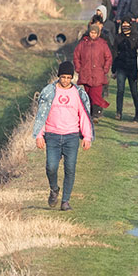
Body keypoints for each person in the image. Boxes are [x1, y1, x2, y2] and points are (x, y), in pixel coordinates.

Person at [33, 61, 93, 211]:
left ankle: (65, 201)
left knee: (70, 169)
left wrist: (87, 136)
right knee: (51, 167)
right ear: (58, 76)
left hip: (71, 136)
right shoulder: (49, 92)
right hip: (52, 135)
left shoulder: (78, 94)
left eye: (68, 77)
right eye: (63, 77)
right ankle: (54, 189)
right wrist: (39, 135)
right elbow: (41, 114)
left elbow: (84, 116)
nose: (66, 80)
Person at [73, 24, 112, 119]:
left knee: (96, 94)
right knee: (88, 95)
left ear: (98, 34)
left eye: (95, 33)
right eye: (91, 32)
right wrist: (78, 68)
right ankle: (90, 114)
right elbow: (76, 56)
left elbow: (108, 57)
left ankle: (96, 113)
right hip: (85, 73)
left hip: (98, 73)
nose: (93, 35)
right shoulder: (83, 44)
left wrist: (105, 69)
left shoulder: (103, 44)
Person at [114, 19, 138, 121]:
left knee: (134, 91)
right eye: (123, 24)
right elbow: (115, 53)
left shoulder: (136, 36)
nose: (125, 26)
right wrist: (114, 70)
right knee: (120, 90)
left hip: (132, 67)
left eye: (127, 24)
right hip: (121, 67)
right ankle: (118, 112)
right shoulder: (118, 37)